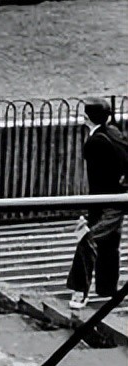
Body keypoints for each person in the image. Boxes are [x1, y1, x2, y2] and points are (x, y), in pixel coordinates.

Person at [66, 97, 128, 309]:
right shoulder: (115, 133)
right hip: (120, 199)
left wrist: (92, 211)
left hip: (107, 202)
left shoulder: (95, 143)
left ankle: (80, 291)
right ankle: (107, 288)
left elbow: (98, 181)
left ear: (87, 119)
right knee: (110, 242)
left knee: (88, 238)